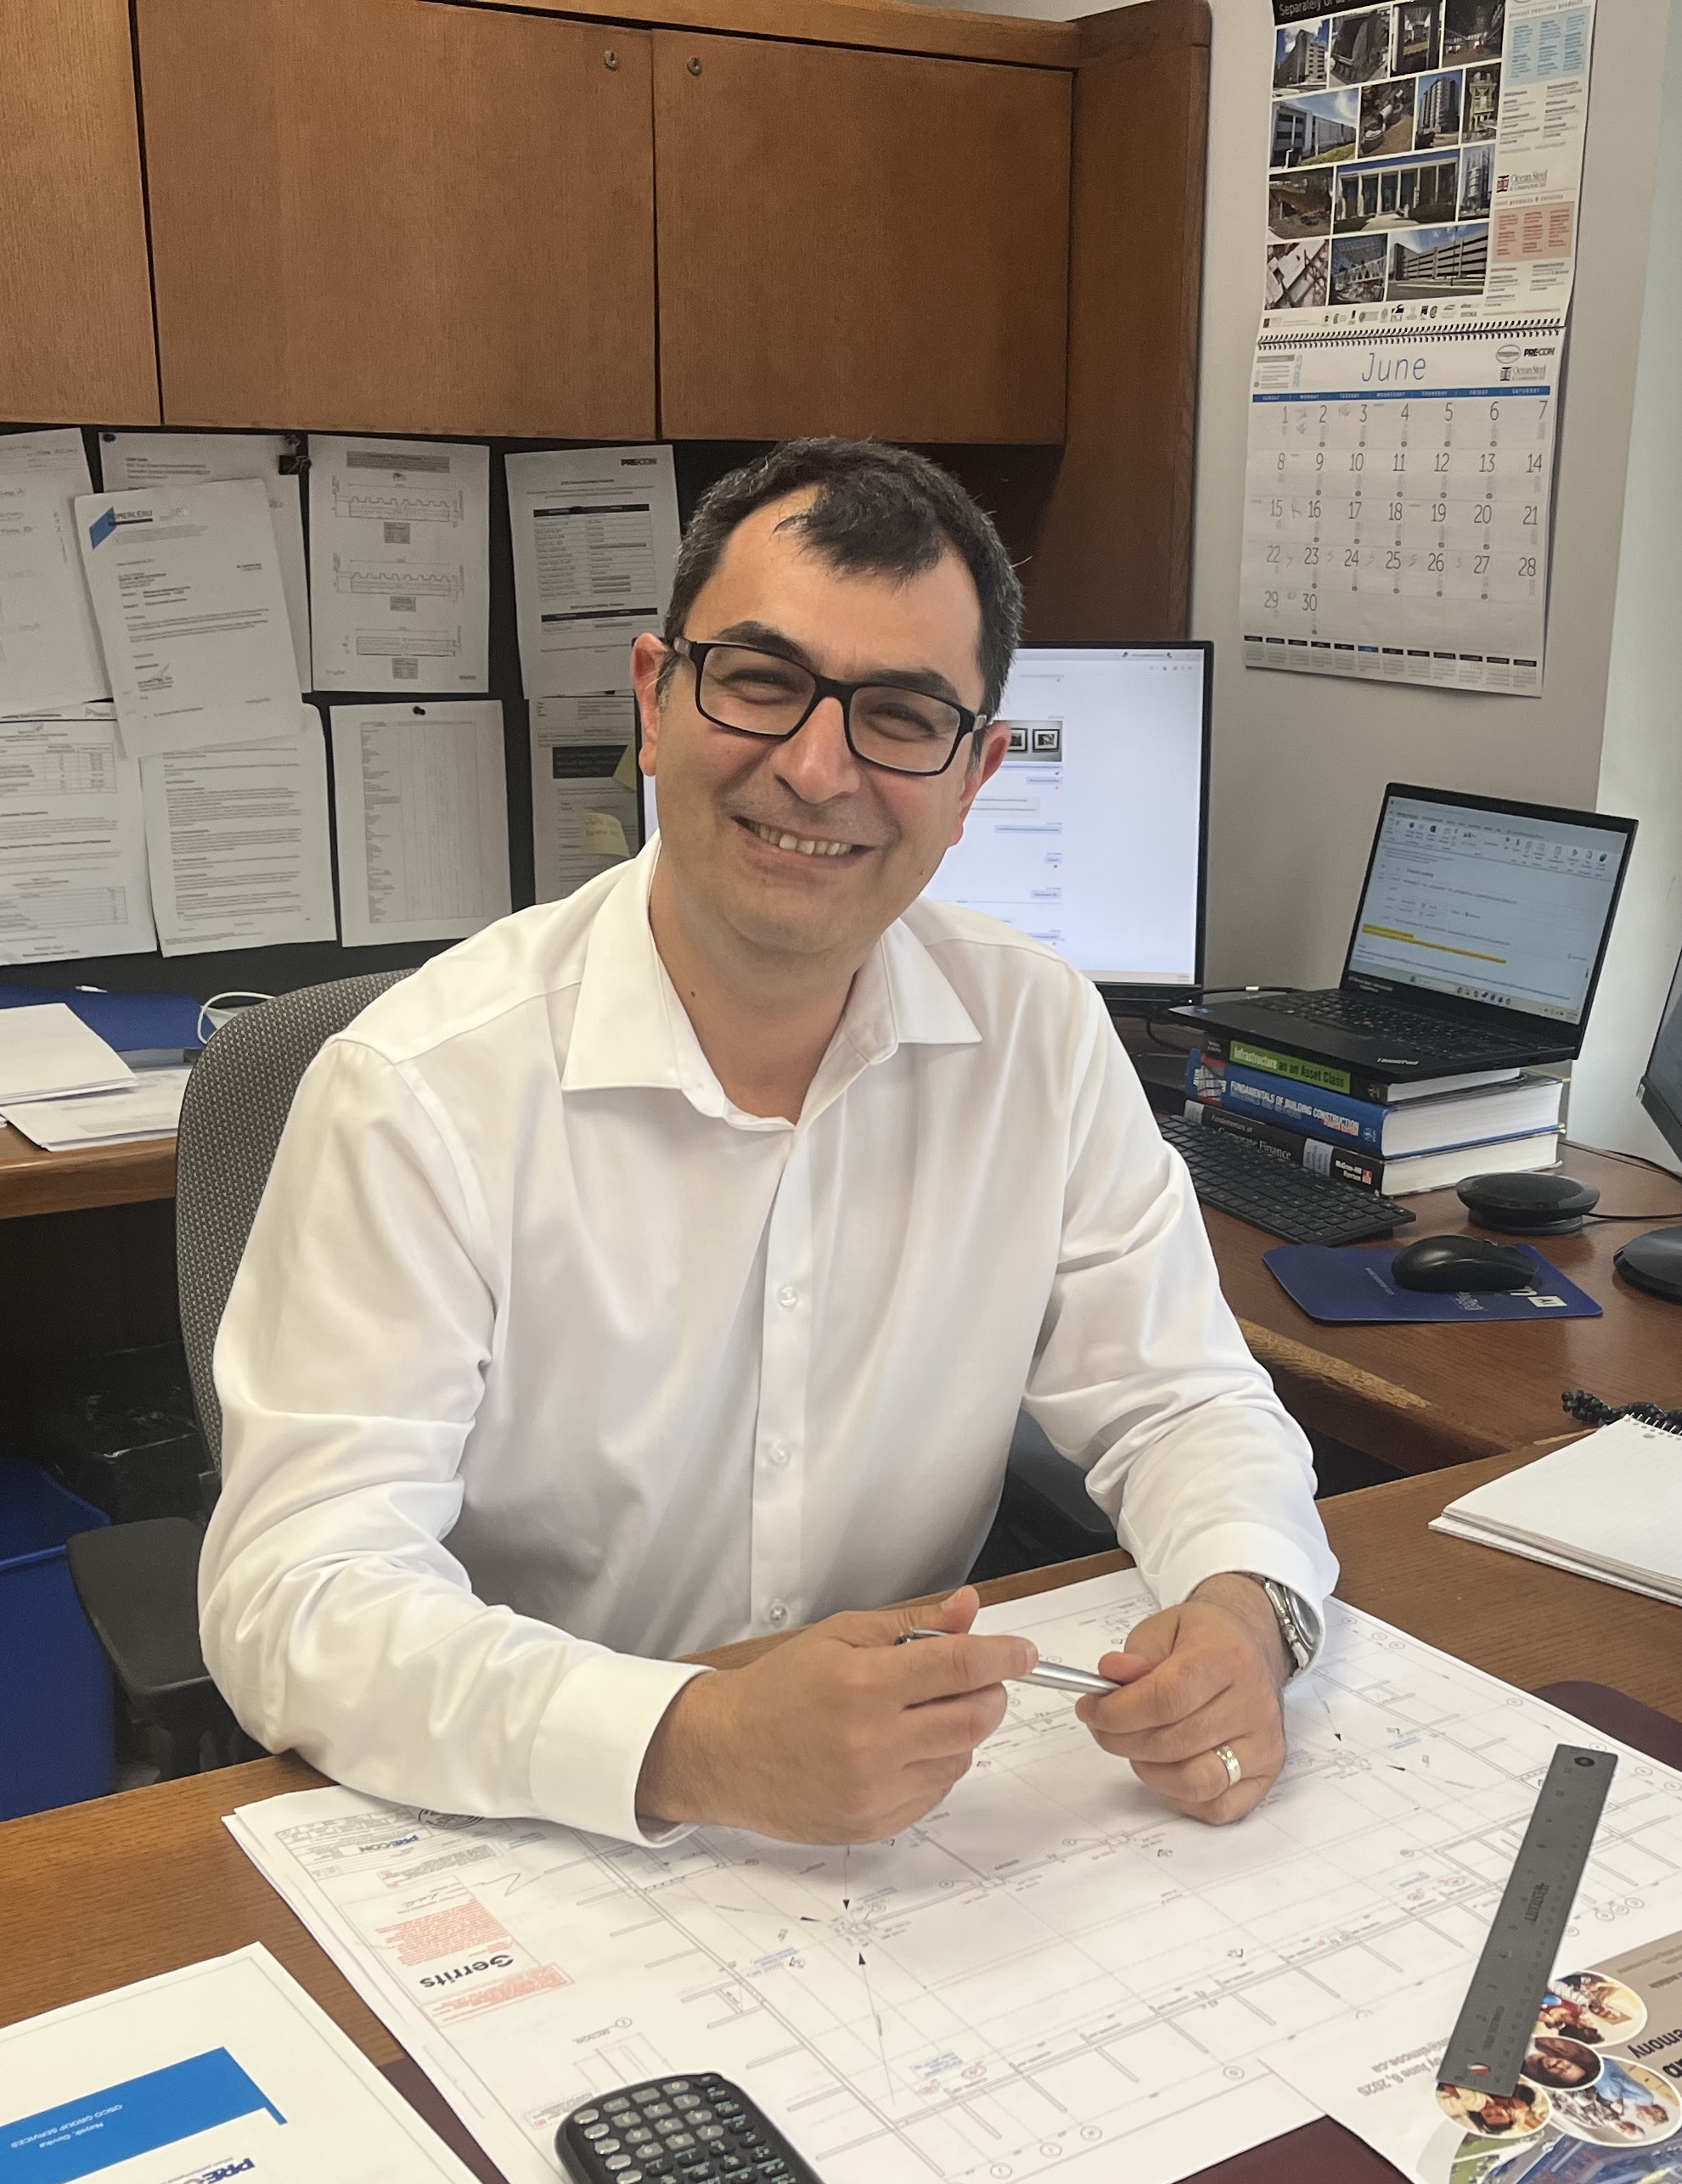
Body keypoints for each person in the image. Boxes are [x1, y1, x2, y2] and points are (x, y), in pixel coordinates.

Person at [201, 441, 1334, 1849]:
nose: (815, 768)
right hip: (522, 1818)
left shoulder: (1034, 1033)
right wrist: (690, 1740)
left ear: (974, 775)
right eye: (759, 681)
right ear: (653, 699)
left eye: (904, 714)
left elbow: (1183, 1401)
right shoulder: (420, 1089)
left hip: (919, 1829)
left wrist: (1246, 1601)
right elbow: (296, 1590)